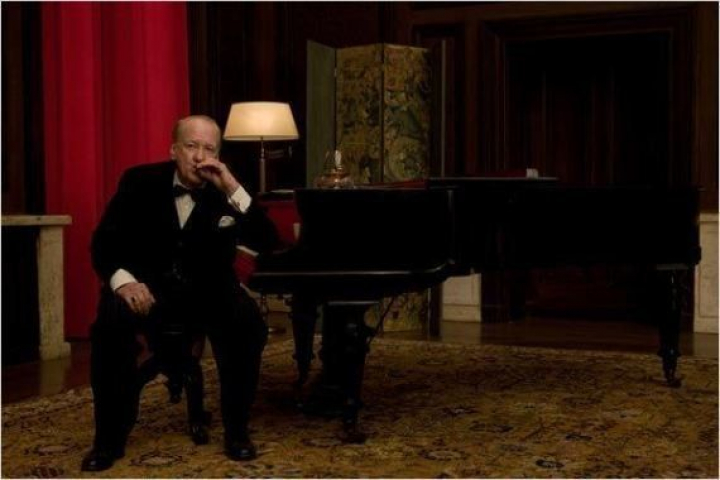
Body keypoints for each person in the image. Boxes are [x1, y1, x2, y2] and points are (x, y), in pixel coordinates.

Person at [81, 115, 279, 471]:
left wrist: (232, 186)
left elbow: (269, 241)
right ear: (174, 150)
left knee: (247, 324)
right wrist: (124, 282)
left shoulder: (228, 188)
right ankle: (107, 440)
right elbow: (103, 243)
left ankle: (237, 431)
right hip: (147, 291)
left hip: (210, 292)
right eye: (191, 146)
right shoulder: (138, 181)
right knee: (109, 324)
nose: (200, 157)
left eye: (209, 149)